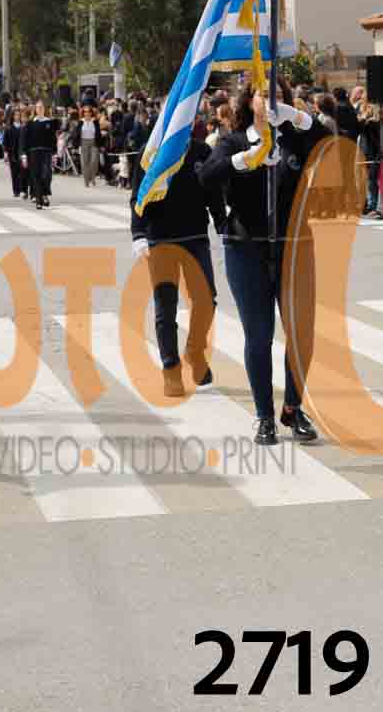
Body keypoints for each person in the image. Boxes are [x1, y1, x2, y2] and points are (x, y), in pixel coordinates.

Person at [197, 79, 326, 445]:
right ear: (249, 101)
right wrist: (244, 160)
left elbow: (329, 145)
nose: (272, 101)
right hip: (247, 247)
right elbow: (206, 176)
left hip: (293, 245)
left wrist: (297, 117)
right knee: (259, 335)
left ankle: (293, 408)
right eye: (264, 94)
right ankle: (264, 415)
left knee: (300, 333)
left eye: (279, 96)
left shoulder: (296, 139)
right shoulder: (234, 140)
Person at [130, 125, 223, 398]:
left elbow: (213, 191)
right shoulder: (151, 152)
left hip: (196, 235)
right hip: (160, 238)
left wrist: (222, 222)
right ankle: (171, 368)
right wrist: (138, 232)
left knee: (206, 299)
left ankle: (194, 350)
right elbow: (138, 195)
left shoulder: (201, 151)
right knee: (166, 305)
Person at [22, 102, 58, 207]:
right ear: (35, 110)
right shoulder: (30, 123)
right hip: (33, 152)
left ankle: (45, 194)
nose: (40, 109)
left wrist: (55, 153)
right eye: (38, 107)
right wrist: (24, 154)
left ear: (44, 109)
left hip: (46, 151)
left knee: (46, 174)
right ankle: (39, 199)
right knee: (36, 175)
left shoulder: (49, 122)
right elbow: (25, 140)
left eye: (41, 107)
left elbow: (53, 139)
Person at [77, 105, 103, 188]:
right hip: (83, 142)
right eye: (85, 112)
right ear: (83, 113)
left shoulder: (95, 121)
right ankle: (86, 181)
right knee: (85, 162)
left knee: (94, 161)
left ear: (91, 113)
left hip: (94, 142)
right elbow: (76, 134)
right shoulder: (81, 122)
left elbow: (98, 133)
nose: (87, 113)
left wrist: (100, 145)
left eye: (88, 111)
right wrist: (76, 145)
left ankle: (92, 177)